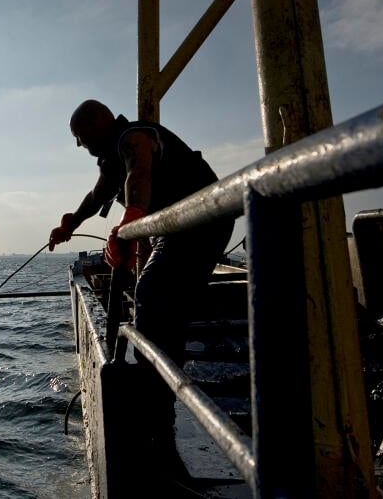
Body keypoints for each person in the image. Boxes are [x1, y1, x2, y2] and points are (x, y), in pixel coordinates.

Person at [48, 99, 234, 481]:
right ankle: (158, 395)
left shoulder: (132, 137)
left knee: (153, 293)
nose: (80, 145)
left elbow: (140, 172)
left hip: (202, 219)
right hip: (175, 227)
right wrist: (71, 221)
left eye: (80, 137)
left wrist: (130, 219)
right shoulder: (113, 156)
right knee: (156, 296)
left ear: (97, 126)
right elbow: (98, 194)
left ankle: (158, 411)